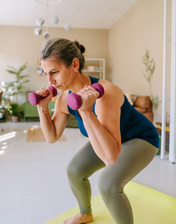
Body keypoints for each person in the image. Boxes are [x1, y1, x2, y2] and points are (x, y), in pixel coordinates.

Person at [35, 38, 159, 224]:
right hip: (111, 138)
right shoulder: (63, 99)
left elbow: (111, 157)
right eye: (46, 74)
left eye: (54, 72)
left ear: (74, 65)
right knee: (74, 170)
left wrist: (85, 110)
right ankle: (85, 214)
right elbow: (52, 137)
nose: (50, 81)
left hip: (140, 138)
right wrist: (42, 108)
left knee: (108, 184)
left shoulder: (104, 94)